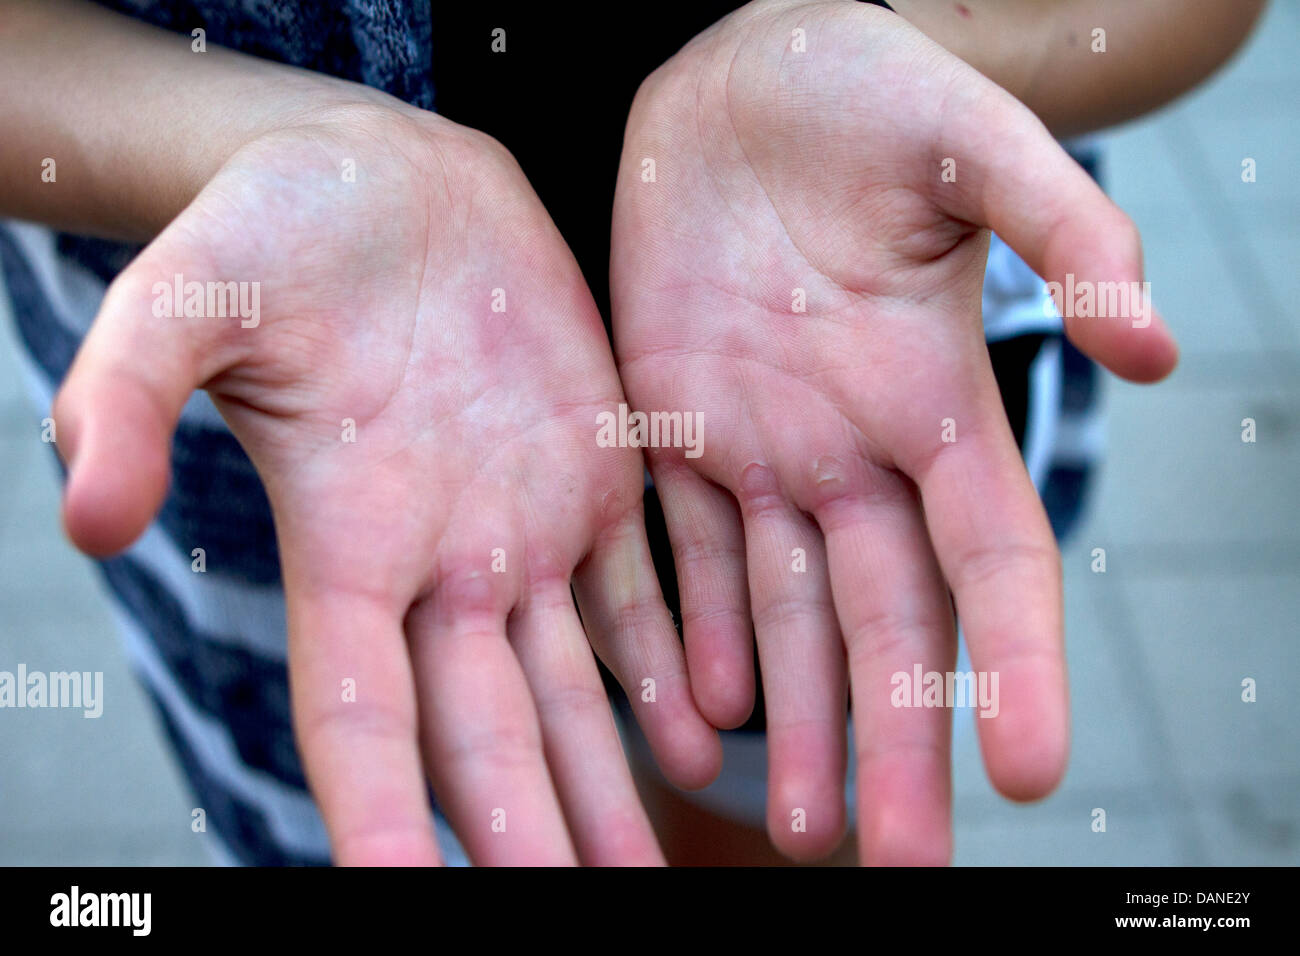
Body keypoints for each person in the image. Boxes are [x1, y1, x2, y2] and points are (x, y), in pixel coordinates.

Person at [0, 0, 1260, 865]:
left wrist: (896, 40)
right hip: (324, 439)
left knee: (786, 801)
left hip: (842, 366)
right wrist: (240, 141)